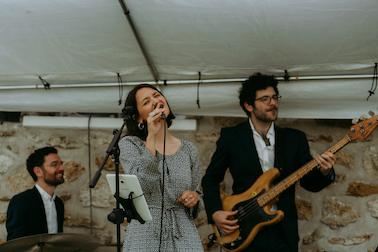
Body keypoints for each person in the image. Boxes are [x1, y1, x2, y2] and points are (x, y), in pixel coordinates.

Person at [201, 73, 336, 252]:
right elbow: (210, 179)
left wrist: (325, 173)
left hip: (282, 231)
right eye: (265, 99)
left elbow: (308, 182)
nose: (273, 103)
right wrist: (215, 213)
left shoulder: (295, 138)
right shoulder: (232, 137)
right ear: (249, 105)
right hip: (244, 225)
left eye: (274, 97)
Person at [119, 84, 204, 251]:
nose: (155, 101)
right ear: (137, 117)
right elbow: (142, 185)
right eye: (146, 102)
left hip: (183, 233)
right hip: (145, 233)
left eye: (157, 95)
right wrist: (151, 136)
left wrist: (194, 198)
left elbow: (197, 194)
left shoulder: (189, 149)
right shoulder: (130, 144)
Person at [6, 146, 65, 241]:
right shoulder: (21, 201)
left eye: (61, 164)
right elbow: (15, 244)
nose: (61, 168)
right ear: (38, 171)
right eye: (54, 165)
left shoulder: (59, 203)